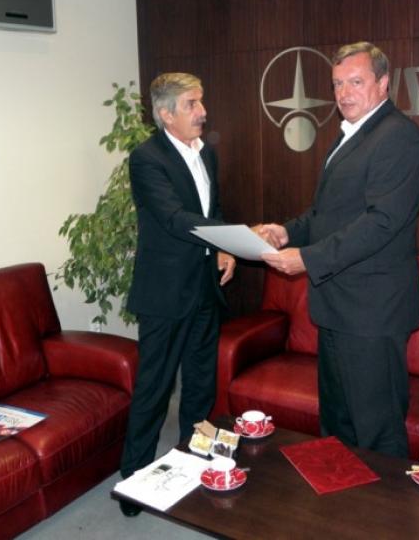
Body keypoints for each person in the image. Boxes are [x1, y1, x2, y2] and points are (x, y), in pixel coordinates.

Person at [259, 41, 419, 458]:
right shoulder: (349, 135)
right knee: (337, 424)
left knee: (377, 432)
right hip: (338, 307)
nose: (344, 93)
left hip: (372, 313)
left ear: (383, 83)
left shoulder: (399, 137)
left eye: (356, 82)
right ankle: (344, 500)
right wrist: (286, 233)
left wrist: (307, 259)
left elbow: (381, 222)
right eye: (337, 84)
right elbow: (327, 214)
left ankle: (383, 504)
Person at [119, 72, 235, 516]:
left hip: (204, 286)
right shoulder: (146, 158)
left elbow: (211, 208)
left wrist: (224, 247)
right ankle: (133, 480)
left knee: (201, 385)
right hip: (165, 293)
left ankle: (192, 461)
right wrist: (235, 235)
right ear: (166, 114)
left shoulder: (207, 154)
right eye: (191, 104)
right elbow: (172, 218)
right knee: (154, 389)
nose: (203, 112)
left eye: (201, 102)